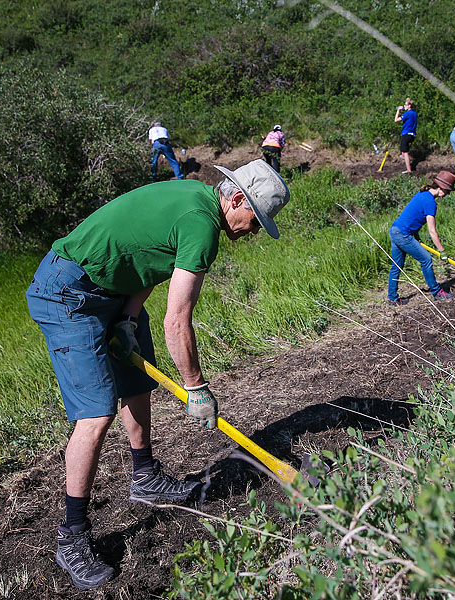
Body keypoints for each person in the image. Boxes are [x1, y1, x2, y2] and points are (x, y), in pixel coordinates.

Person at [26, 159, 290, 591]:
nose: (255, 230)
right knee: (95, 415)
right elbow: (177, 321)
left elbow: (147, 257)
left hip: (112, 292)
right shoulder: (201, 225)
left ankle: (145, 476)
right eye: (256, 219)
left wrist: (129, 318)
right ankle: (71, 536)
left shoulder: (191, 198)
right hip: (69, 291)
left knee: (137, 385)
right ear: (237, 199)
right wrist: (196, 387)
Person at [387, 171, 455, 305]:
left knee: (396, 266)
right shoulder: (431, 202)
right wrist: (442, 251)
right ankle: (437, 292)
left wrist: (416, 236)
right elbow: (432, 231)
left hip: (395, 230)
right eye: (448, 191)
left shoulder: (422, 194)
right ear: (441, 188)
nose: (447, 195)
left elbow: (412, 217)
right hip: (403, 234)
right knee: (426, 259)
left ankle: (393, 299)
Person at [393, 97, 417, 174]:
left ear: (409, 105)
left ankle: (409, 170)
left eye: (405, 105)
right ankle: (403, 157)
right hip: (412, 134)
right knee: (403, 149)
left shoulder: (408, 113)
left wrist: (398, 110)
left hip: (406, 134)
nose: (404, 106)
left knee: (405, 152)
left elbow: (396, 120)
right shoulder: (414, 113)